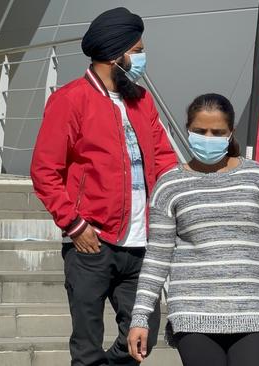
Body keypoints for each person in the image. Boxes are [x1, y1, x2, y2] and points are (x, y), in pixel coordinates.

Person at [30, 7, 177, 366]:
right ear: (117, 55)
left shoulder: (142, 101)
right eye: (138, 50)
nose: (142, 57)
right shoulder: (70, 100)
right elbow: (44, 171)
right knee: (86, 346)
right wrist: (74, 225)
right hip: (92, 244)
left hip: (141, 243)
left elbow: (165, 159)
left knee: (143, 336)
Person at [127, 93, 259, 366]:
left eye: (217, 132)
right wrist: (140, 318)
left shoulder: (257, 179)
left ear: (230, 133)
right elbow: (156, 259)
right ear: (188, 129)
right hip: (192, 316)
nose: (208, 137)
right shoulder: (170, 186)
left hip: (251, 313)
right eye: (200, 131)